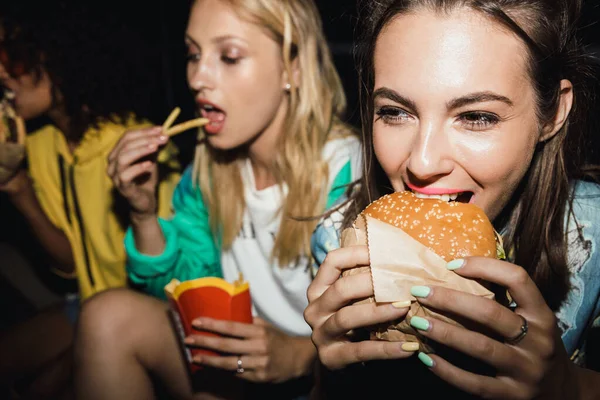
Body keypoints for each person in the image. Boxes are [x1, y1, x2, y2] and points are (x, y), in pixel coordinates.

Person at [305, 0, 600, 398]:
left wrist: (570, 388)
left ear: (553, 114)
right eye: (394, 112)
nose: (422, 163)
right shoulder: (341, 241)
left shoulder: (593, 237)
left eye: (477, 116)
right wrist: (332, 371)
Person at [73, 0, 361, 399]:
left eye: (228, 56)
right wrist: (142, 214)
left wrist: (300, 355)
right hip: (237, 368)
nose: (197, 78)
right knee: (106, 317)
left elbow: (373, 343)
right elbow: (187, 299)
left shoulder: (349, 179)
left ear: (292, 68)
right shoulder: (207, 173)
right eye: (193, 54)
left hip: (320, 378)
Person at [0, 2, 181, 398]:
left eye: (10, 56)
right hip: (82, 301)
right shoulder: (41, 146)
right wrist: (18, 188)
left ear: (54, 54)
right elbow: (67, 265)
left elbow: (173, 279)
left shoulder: (136, 145)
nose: (1, 73)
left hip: (143, 310)